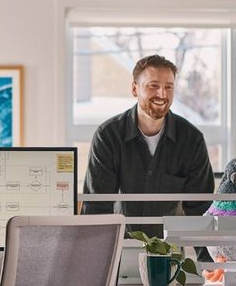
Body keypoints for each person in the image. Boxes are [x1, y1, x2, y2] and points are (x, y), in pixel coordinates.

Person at [83, 54, 214, 219]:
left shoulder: (191, 140)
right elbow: (96, 208)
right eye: (154, 86)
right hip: (123, 242)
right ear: (134, 89)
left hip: (170, 244)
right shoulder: (108, 137)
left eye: (168, 87)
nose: (162, 94)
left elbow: (201, 210)